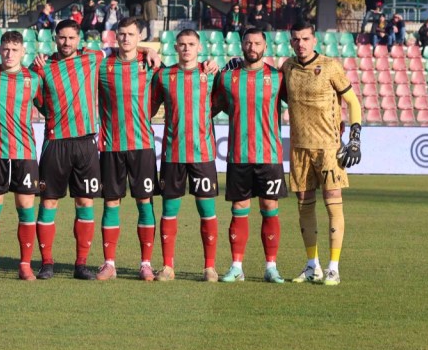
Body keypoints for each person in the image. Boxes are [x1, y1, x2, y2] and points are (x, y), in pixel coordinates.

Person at [283, 21, 363, 286]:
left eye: (305, 39)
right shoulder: (288, 67)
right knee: (304, 206)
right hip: (299, 148)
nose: (301, 44)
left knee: (333, 203)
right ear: (291, 41)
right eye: (296, 39)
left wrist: (354, 140)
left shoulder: (330, 66)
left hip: (328, 148)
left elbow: (352, 101)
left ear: (314, 40)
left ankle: (333, 268)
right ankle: (312, 265)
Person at [29, 19, 105, 280]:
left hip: (85, 142)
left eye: (72, 38)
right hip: (55, 142)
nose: (67, 42)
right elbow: (35, 97)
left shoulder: (92, 58)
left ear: (79, 38)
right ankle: (47, 263)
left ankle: (81, 264)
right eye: (62, 37)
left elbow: (126, 52)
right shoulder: (42, 67)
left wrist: (148, 50)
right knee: (49, 201)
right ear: (55, 38)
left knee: (84, 201)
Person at [212, 29, 287, 284]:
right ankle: (236, 267)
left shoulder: (278, 78)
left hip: (270, 155)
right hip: (238, 156)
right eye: (248, 42)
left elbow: (300, 103)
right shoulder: (226, 77)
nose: (252, 46)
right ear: (241, 45)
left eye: (257, 43)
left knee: (270, 208)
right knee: (239, 209)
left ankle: (271, 267)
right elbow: (208, 106)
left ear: (265, 46)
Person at [150, 30, 221, 281]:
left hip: (203, 154)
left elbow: (222, 100)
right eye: (182, 44)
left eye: (191, 44)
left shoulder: (211, 74)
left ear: (199, 47)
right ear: (175, 47)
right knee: (169, 211)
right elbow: (149, 107)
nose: (186, 48)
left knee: (207, 210)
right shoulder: (164, 76)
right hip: (173, 153)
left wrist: (221, 64)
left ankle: (209, 267)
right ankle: (168, 267)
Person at [0, 31, 44, 280]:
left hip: (25, 152)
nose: (10, 54)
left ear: (23, 52)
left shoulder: (34, 79)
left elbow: (48, 107)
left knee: (25, 208)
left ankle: (25, 265)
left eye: (15, 49)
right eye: (6, 49)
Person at [95, 17, 160, 281]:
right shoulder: (103, 65)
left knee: (144, 201)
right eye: (121, 34)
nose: (126, 39)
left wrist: (150, 51)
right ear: (115, 36)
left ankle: (145, 263)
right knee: (111, 202)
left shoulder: (150, 64)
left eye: (131, 34)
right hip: (111, 146)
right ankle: (109, 263)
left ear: (140, 36)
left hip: (142, 145)